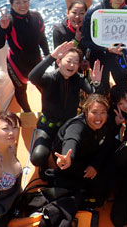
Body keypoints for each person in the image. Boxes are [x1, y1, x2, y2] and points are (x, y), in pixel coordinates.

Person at [28, 41, 103, 170]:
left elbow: (94, 96)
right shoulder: (49, 78)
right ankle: (44, 165)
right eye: (68, 61)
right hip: (47, 127)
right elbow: (32, 77)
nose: (72, 65)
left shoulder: (79, 79)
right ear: (59, 62)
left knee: (73, 156)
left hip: (67, 127)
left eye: (76, 62)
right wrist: (51, 56)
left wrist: (96, 83)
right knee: (38, 157)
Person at [52, 94, 115, 208]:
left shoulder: (105, 123)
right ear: (86, 113)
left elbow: (108, 143)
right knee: (98, 191)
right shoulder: (77, 126)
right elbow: (72, 138)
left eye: (103, 112)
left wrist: (95, 165)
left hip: (89, 153)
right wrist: (68, 157)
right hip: (71, 161)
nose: (99, 117)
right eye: (94, 112)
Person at [0, 0, 49, 112]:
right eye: (17, 2)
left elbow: (42, 39)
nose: (22, 5)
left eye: (25, 1)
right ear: (11, 5)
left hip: (36, 62)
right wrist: (3, 28)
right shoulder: (8, 21)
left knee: (44, 88)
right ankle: (27, 113)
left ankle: (47, 111)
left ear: (29, 1)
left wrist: (48, 56)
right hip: (17, 65)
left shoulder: (36, 17)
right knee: (21, 91)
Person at [81, 0, 127, 93]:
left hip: (119, 55)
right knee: (101, 90)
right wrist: (105, 48)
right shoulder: (94, 12)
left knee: (124, 87)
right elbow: (85, 40)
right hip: (98, 56)